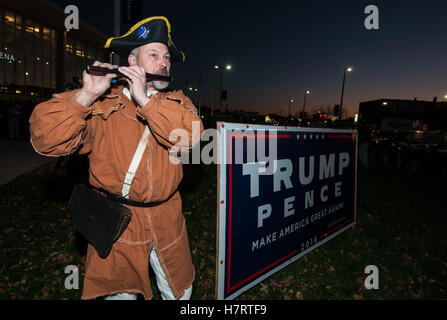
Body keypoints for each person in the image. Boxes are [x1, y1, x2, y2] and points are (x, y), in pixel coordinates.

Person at [29, 16, 203, 300]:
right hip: (118, 223)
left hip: (167, 218)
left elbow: (190, 137)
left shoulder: (180, 103)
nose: (164, 63)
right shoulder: (102, 103)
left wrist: (145, 101)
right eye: (155, 55)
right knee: (120, 297)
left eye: (167, 57)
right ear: (133, 63)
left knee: (180, 292)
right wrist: (85, 96)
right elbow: (45, 139)